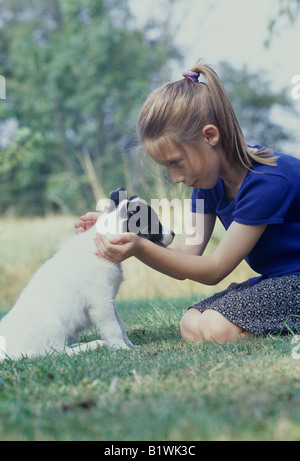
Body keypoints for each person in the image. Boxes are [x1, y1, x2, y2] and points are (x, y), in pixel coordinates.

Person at [75, 63, 300, 344]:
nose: (175, 177)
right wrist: (119, 229)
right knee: (192, 324)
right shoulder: (208, 182)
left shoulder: (267, 182)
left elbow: (215, 268)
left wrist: (139, 247)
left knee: (217, 327)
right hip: (282, 281)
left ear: (210, 136)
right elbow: (187, 254)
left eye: (176, 163)